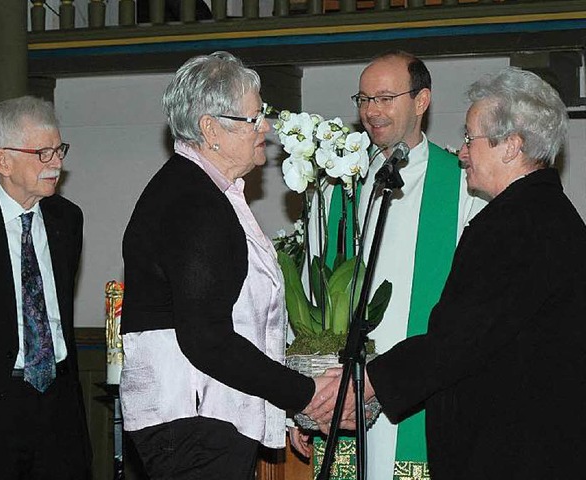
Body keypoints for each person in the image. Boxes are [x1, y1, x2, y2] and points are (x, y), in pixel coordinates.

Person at [312, 66, 586, 479]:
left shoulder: (516, 225)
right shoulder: (546, 215)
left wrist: (370, 380)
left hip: (515, 451)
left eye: (470, 138)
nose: (461, 152)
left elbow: (461, 338)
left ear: (511, 146)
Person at [119, 51, 338, 480]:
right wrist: (303, 395)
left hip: (201, 415)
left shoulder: (203, 191)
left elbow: (243, 323)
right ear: (210, 128)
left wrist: (285, 409)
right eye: (254, 118)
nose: (267, 128)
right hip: (192, 419)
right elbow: (207, 339)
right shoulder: (193, 203)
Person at [291, 51, 487, 478]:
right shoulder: (338, 186)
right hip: (342, 394)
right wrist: (300, 399)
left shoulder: (462, 186)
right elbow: (310, 299)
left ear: (422, 101)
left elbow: (477, 306)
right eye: (363, 99)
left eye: (384, 98)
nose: (370, 111)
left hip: (420, 395)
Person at [0, 96, 92, 479]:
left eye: (58, 149)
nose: (57, 162)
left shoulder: (67, 220)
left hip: (57, 406)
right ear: (3, 161)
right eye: (42, 153)